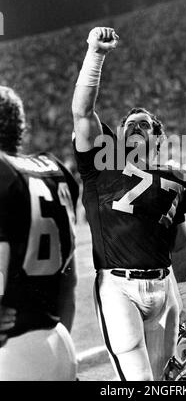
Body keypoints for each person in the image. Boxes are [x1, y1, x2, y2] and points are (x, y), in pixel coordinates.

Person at [72, 27, 186, 381]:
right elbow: (83, 112)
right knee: (138, 383)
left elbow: (179, 241)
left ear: (159, 137)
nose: (134, 128)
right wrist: (96, 55)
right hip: (118, 287)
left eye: (144, 125)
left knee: (160, 381)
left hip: (164, 289)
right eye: (129, 125)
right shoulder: (103, 162)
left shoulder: (177, 177)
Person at [0, 86, 79, 381]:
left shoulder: (2, 172)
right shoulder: (54, 169)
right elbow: (69, 280)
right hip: (58, 341)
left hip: (10, 350)